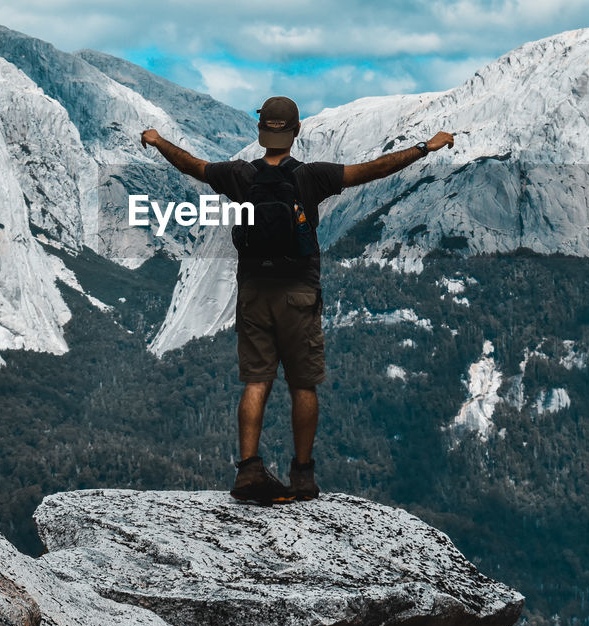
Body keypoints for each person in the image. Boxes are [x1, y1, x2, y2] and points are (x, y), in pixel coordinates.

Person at [141, 96, 454, 504]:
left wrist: (159, 140)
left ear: (260, 132)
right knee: (303, 384)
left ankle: (249, 469)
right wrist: (424, 147)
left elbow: (193, 166)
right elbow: (372, 170)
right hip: (300, 291)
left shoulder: (239, 175)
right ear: (296, 131)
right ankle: (303, 476)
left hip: (253, 290)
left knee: (256, 381)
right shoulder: (312, 177)